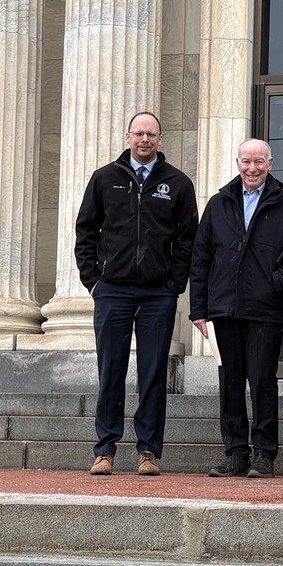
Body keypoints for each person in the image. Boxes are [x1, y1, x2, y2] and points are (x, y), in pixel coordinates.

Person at [75, 111, 199, 476]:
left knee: (152, 374)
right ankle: (105, 449)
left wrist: (174, 284)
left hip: (157, 295)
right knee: (110, 371)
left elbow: (188, 239)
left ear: (161, 139)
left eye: (152, 134)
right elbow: (86, 232)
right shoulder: (104, 179)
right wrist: (93, 281)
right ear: (128, 136)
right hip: (112, 291)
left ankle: (148, 451)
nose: (145, 139)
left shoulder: (177, 183)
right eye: (139, 133)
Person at [189, 139, 283, 478]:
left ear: (270, 163)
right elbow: (200, 259)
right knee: (230, 383)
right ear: (237, 162)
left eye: (259, 162)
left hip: (265, 312)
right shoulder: (219, 203)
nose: (252, 168)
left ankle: (264, 455)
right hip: (222, 311)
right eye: (246, 161)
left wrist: (274, 283)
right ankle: (235, 454)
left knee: (262, 383)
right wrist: (200, 309)